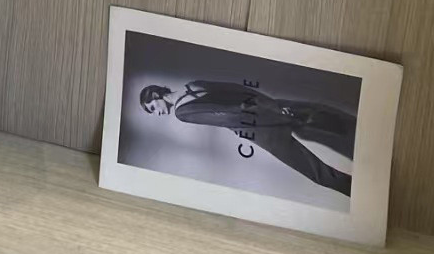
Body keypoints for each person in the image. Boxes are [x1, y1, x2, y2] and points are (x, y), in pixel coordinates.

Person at [139, 80, 355, 195]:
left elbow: (227, 117)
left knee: (319, 173)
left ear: (156, 95)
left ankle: (360, 195)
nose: (157, 113)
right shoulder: (192, 85)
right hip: (265, 107)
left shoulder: (181, 112)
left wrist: (272, 117)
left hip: (261, 128)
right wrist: (272, 106)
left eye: (152, 107)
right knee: (318, 118)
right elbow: (236, 89)